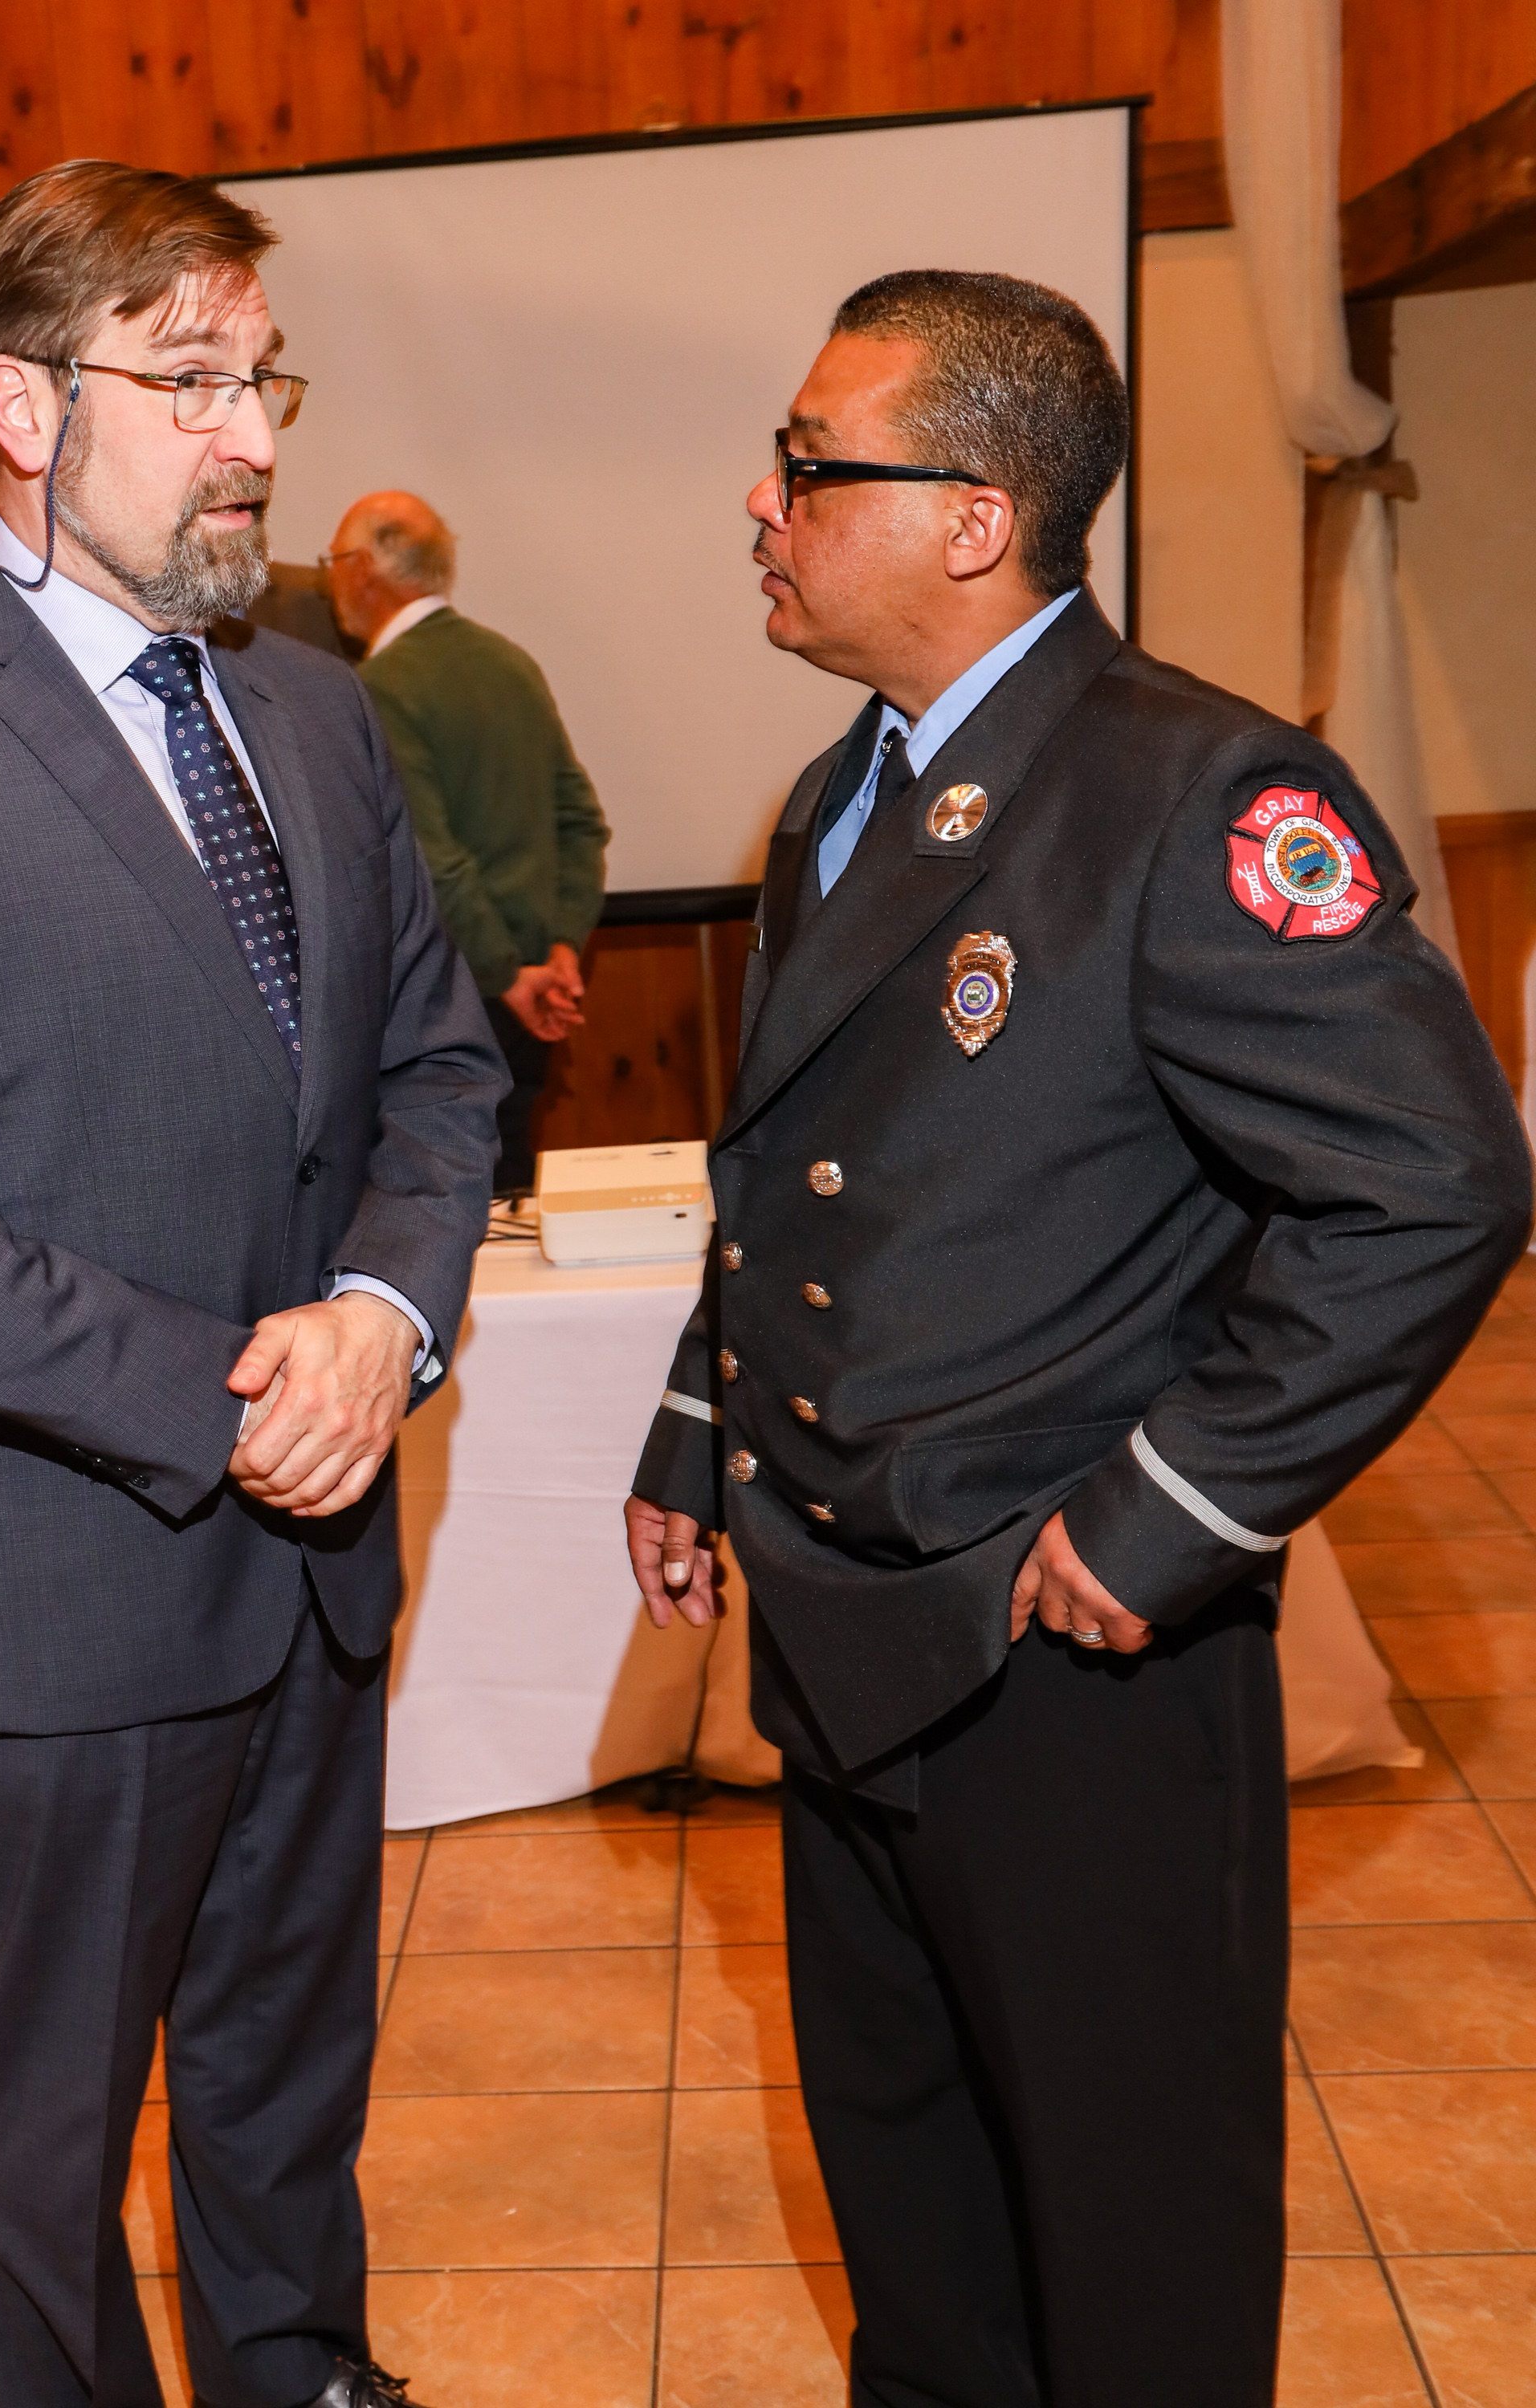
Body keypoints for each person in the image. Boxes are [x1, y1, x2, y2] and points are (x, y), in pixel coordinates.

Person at [623, 270, 1531, 2408]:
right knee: (917, 2209)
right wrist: (693, 1431)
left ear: (973, 518)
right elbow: (803, 1174)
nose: (761, 504)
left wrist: (1174, 1511)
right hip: (846, 1622)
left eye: (808, 465)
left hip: (1067, 1652)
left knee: (1131, 2243)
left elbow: (1438, 1183)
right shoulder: (841, 795)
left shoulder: (1193, 796)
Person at [0, 161, 504, 2408]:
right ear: (23, 407)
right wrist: (241, 1394)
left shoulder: (322, 718)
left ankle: (298, 2370)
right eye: (191, 381)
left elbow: (438, 1072)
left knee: (287, 2055)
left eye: (264, 377)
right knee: (51, 2121)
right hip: (63, 1573)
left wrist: (386, 1316)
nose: (254, 436)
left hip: (318, 1557)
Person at [324, 491, 609, 1191]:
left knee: (441, 1210)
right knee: (510, 1198)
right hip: (530, 993)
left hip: (447, 1001)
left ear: (362, 569)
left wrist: (508, 977)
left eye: (332, 562)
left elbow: (430, 859)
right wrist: (560, 950)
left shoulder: (380, 686)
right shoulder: (509, 662)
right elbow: (580, 822)